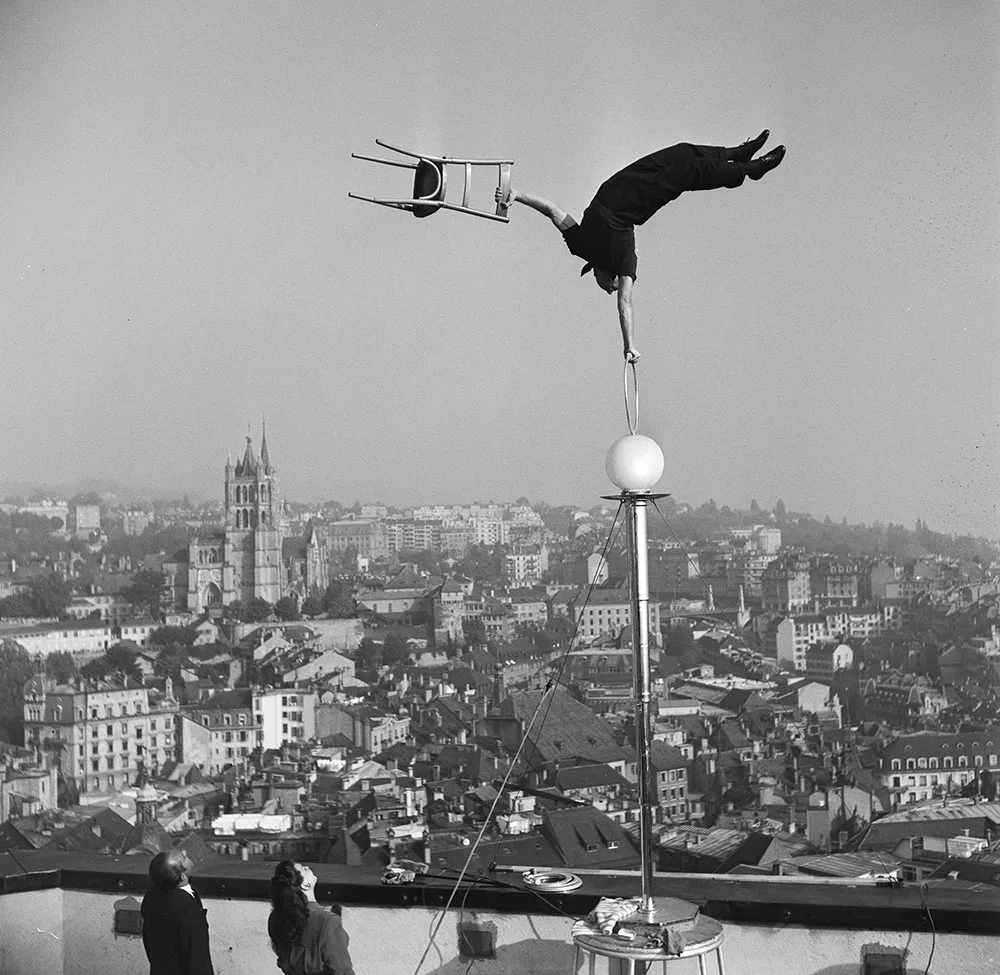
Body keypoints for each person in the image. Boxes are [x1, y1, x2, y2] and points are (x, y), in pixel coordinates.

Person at [497, 131, 786, 362]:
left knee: (682, 151)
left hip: (618, 185)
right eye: (611, 287)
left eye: (607, 287)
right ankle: (750, 169)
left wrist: (518, 195)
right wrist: (629, 346)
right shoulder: (625, 260)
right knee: (691, 169)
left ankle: (738, 153)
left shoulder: (580, 246)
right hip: (643, 196)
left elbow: (552, 210)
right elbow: (625, 304)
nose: (610, 288)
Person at [268, 860, 355, 975]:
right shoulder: (327, 921)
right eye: (304, 869)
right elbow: (343, 971)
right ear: (306, 885)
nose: (308, 867)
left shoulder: (276, 918)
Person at [141, 849, 215, 975]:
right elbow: (199, 961)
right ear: (182, 876)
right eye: (183, 857)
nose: (185, 852)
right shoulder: (189, 910)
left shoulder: (151, 896)